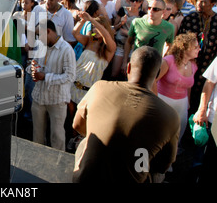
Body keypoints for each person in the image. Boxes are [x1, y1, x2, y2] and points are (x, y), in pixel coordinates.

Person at [72, 46, 180, 183]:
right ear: (157, 73)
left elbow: (77, 125)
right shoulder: (170, 116)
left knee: (84, 142)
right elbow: (164, 164)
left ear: (128, 68)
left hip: (87, 178)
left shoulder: (99, 87)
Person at [67, 12, 116, 152]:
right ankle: (73, 139)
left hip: (88, 90)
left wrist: (94, 22)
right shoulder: (89, 41)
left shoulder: (109, 49)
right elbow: (75, 32)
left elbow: (107, 36)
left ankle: (82, 145)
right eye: (93, 28)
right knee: (71, 118)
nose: (95, 31)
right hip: (73, 85)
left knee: (83, 120)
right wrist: (83, 20)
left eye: (98, 28)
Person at [29, 19, 76, 151]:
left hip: (57, 100)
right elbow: (33, 64)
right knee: (37, 136)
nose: (38, 38)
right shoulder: (41, 45)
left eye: (40, 35)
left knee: (57, 137)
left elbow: (70, 76)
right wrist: (32, 69)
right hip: (39, 97)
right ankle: (37, 162)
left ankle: (57, 166)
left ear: (48, 31)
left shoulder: (66, 50)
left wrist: (45, 77)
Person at [153, 33, 200, 144]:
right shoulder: (168, 61)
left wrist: (187, 101)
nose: (199, 49)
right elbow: (153, 80)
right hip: (162, 100)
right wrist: (154, 100)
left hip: (181, 104)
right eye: (196, 47)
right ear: (185, 47)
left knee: (177, 133)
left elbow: (188, 86)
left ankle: (171, 156)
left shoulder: (193, 66)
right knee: (158, 131)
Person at [178, 0, 217, 113]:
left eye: (204, 2)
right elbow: (179, 42)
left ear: (213, 4)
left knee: (202, 98)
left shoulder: (216, 21)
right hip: (188, 65)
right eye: (198, 1)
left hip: (208, 67)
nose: (199, 4)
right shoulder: (190, 19)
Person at [122, 0, 175, 75]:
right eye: (149, 8)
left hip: (154, 66)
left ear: (163, 12)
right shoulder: (137, 22)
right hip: (136, 63)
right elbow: (128, 42)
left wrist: (163, 60)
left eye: (155, 9)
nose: (151, 11)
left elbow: (169, 45)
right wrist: (125, 62)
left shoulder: (169, 28)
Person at [111, 0, 145, 80]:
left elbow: (141, 34)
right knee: (114, 73)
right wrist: (121, 23)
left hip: (133, 46)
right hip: (120, 44)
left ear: (141, 2)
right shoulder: (123, 10)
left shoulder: (142, 16)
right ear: (129, 0)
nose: (135, 3)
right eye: (133, 0)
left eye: (138, 1)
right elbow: (115, 27)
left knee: (128, 75)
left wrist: (126, 32)